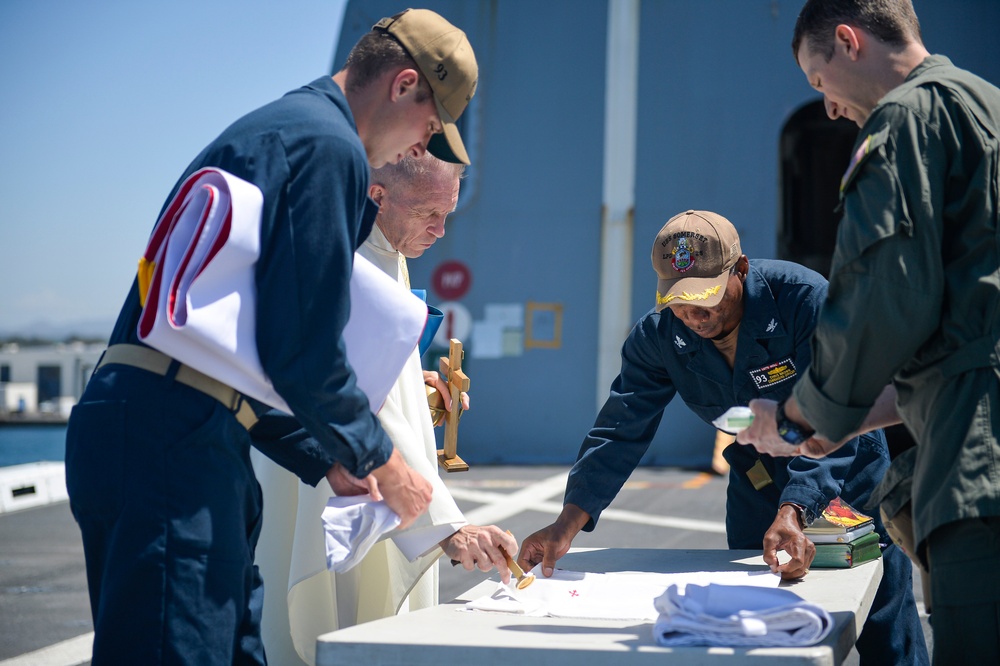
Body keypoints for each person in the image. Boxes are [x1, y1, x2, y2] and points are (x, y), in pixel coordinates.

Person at [64, 9, 479, 664]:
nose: (413, 149)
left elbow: (245, 341)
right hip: (175, 435)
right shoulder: (328, 146)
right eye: (427, 128)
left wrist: (330, 457)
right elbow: (302, 350)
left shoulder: (278, 129)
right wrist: (382, 461)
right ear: (403, 86)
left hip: (163, 421)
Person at [519, 210, 928, 664]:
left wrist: (795, 509)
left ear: (742, 269)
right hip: (755, 479)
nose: (694, 314)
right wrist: (566, 524)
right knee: (755, 626)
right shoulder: (657, 338)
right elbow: (620, 429)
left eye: (707, 297)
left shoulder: (805, 302)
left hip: (844, 471)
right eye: (679, 300)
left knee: (880, 619)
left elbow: (840, 413)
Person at [735, 1, 1000, 661]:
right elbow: (958, 330)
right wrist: (846, 423)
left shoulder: (904, 121)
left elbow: (885, 297)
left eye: (818, 82)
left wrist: (798, 416)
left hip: (976, 459)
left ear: (849, 42)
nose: (826, 108)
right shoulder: (987, 106)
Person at [251, 153, 517, 665]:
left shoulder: (386, 253)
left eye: (448, 214)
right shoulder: (350, 261)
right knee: (346, 618)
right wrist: (446, 528)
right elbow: (356, 402)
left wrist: (415, 385)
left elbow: (375, 380)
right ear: (378, 196)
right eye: (427, 214)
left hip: (365, 481)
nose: (440, 231)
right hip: (342, 484)